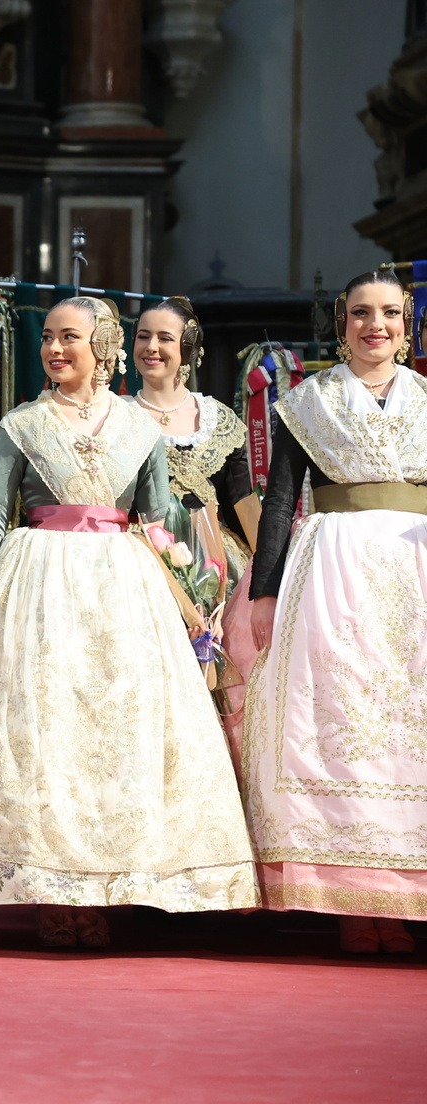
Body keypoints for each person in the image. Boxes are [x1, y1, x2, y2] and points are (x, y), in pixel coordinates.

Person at [0, 296, 258, 948]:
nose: (53, 348)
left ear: (101, 344)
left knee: (118, 731)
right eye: (48, 337)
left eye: (68, 337)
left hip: (123, 589)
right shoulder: (22, 424)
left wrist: (191, 590)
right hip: (38, 582)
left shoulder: (138, 427)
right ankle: (53, 892)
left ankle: (112, 881)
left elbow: (156, 520)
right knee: (48, 731)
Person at [244, 268, 426, 954]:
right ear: (341, 323)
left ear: (407, 325)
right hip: (333, 573)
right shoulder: (306, 402)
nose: (375, 325)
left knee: (410, 729)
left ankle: (403, 900)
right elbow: (279, 502)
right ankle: (351, 899)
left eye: (389, 314)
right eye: (361, 313)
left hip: (415, 573)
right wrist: (264, 592)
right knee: (342, 721)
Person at [131, 297, 260, 741]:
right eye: (143, 336)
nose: (152, 347)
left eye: (164, 338)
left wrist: (272, 571)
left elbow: (242, 498)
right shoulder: (117, 416)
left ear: (188, 348)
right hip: (144, 561)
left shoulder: (218, 419)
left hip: (219, 563)